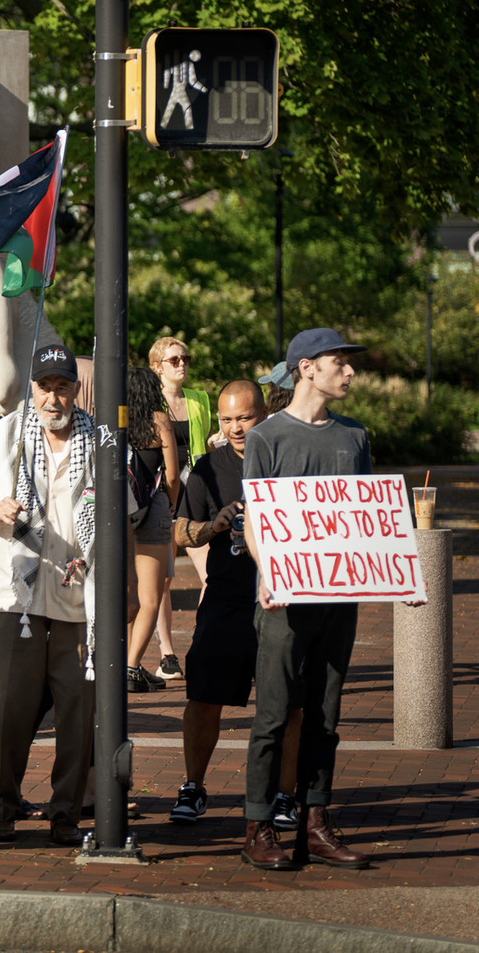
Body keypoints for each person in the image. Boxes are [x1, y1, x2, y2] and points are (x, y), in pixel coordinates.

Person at [239, 328, 403, 871]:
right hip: (285, 599)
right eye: (341, 363)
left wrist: (397, 575)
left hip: (339, 599)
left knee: (326, 716)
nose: (351, 372)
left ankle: (315, 821)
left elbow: (366, 519)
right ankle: (259, 827)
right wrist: (268, 571)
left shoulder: (354, 438)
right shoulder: (266, 437)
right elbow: (257, 521)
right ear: (306, 368)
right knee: (272, 714)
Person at [0, 343, 114, 847]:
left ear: (75, 389)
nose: (53, 397)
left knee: (79, 717)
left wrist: (123, 588)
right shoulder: (5, 435)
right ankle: (1, 814)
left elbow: (121, 520)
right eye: (45, 387)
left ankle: (65, 816)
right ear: (34, 388)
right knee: (5, 714)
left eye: (62, 387)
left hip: (79, 601)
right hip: (14, 599)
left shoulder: (104, 444)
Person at [169, 381, 303, 829]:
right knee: (203, 697)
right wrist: (214, 525)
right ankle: (193, 786)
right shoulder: (208, 467)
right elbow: (180, 530)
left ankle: (286, 795)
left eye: (243, 418)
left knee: (287, 704)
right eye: (226, 420)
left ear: (263, 414)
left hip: (281, 598)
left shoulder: (288, 461)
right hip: (225, 599)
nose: (235, 428)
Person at [150, 337, 213, 681]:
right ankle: (167, 655)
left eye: (185, 358)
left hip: (196, 496)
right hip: (162, 495)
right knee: (162, 580)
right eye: (174, 360)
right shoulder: (150, 402)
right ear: (157, 366)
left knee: (211, 576)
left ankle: (203, 642)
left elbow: (202, 446)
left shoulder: (200, 399)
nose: (182, 364)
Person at [124, 366, 178, 692]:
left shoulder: (110, 419)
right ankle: (130, 668)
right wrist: (170, 505)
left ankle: (122, 662)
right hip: (151, 508)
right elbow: (171, 475)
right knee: (149, 598)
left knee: (125, 595)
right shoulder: (158, 420)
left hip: (117, 512)